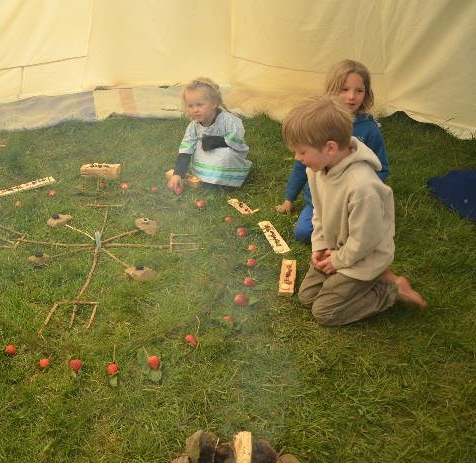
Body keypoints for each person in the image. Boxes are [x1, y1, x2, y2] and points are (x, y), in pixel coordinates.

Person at [281, 96, 425, 326]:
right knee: (306, 297)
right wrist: (319, 247)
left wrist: (338, 261)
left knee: (324, 313)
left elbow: (366, 240)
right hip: (336, 249)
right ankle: (359, 281)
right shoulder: (316, 170)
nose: (297, 158)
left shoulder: (362, 187)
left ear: (329, 148)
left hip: (363, 257)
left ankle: (389, 290)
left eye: (301, 152)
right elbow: (318, 211)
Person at [276, 59, 390, 243]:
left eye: (359, 90)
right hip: (320, 202)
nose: (352, 96)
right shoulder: (317, 124)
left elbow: (382, 168)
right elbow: (301, 164)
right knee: (303, 233)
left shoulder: (370, 130)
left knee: (356, 235)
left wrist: (363, 192)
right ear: (332, 90)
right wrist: (289, 198)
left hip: (351, 202)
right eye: (344, 89)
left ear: (366, 93)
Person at [167, 77, 251, 193]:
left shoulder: (228, 120)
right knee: (197, 148)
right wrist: (178, 174)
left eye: (200, 105)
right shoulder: (194, 126)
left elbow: (237, 142)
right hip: (206, 154)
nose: (195, 110)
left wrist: (215, 141)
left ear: (214, 103)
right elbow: (186, 150)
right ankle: (206, 178)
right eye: (190, 106)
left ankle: (227, 181)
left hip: (226, 154)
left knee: (224, 156)